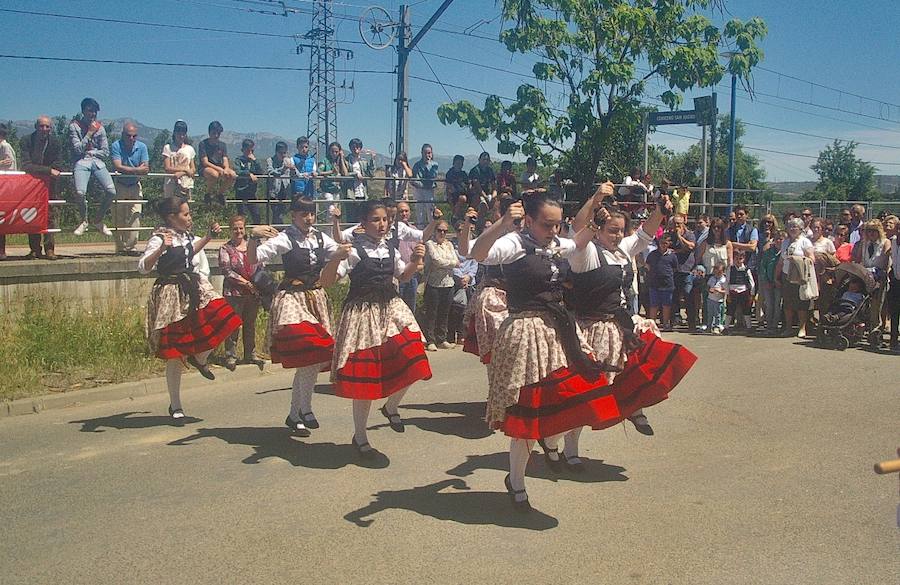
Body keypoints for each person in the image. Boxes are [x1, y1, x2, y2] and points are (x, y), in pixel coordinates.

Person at [470, 195, 619, 510]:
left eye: (556, 224)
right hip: (525, 334)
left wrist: (593, 219)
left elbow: (576, 242)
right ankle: (517, 481)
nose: (553, 230)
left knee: (573, 393)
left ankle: (553, 447)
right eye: (546, 224)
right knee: (527, 411)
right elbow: (478, 253)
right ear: (528, 221)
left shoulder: (554, 244)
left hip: (557, 331)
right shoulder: (513, 243)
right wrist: (500, 223)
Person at [567, 183, 693, 437]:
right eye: (612, 231)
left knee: (647, 355)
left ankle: (635, 407)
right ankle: (566, 448)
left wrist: (660, 209)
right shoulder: (587, 252)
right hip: (590, 326)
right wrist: (596, 197)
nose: (617, 236)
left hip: (620, 321)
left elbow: (645, 234)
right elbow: (578, 229)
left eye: (621, 231)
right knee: (588, 390)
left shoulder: (622, 250)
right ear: (598, 229)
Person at [330, 200, 431, 457]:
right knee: (365, 376)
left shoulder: (390, 248)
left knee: (415, 355)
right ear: (363, 224)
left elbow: (403, 276)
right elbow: (328, 280)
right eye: (376, 220)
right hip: (362, 314)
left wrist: (416, 260)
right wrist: (335, 259)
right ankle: (360, 436)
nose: (382, 224)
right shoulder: (353, 251)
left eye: (385, 219)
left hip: (390, 308)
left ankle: (391, 406)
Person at [138, 196, 242, 419]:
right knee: (174, 351)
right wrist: (160, 249)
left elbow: (188, 253)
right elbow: (144, 267)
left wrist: (208, 237)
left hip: (192, 287)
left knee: (225, 316)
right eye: (185, 214)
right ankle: (175, 405)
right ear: (171, 217)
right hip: (170, 293)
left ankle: (200, 358)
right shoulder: (159, 238)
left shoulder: (185, 236)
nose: (189, 218)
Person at [248, 198, 345, 434]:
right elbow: (254, 258)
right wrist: (253, 237)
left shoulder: (321, 238)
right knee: (308, 346)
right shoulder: (286, 237)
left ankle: (296, 414)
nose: (308, 219)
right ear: (293, 216)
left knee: (309, 360)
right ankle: (305, 409)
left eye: (311, 214)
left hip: (315, 298)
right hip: (293, 298)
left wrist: (340, 263)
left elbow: (342, 254)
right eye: (303, 214)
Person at [218, 215, 265, 372]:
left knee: (250, 324)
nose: (238, 231)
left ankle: (250, 353)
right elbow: (226, 270)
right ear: (230, 230)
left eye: (241, 228)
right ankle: (231, 355)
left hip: (253, 293)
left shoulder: (254, 246)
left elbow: (261, 264)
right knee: (233, 325)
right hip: (234, 293)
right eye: (235, 228)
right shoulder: (225, 248)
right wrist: (245, 283)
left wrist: (257, 284)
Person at [68, 97, 117, 237]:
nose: (93, 114)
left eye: (95, 111)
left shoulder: (100, 128)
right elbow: (77, 149)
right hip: (81, 162)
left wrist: (91, 152)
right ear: (83, 111)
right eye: (90, 111)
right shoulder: (74, 126)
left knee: (111, 191)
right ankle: (84, 221)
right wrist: (89, 133)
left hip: (97, 162)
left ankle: (98, 220)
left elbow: (105, 151)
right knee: (80, 193)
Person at [18, 116, 64, 260]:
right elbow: (26, 165)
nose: (44, 129)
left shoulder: (56, 142)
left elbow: (58, 165)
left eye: (47, 127)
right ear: (36, 127)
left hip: (50, 185)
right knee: (31, 215)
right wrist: (48, 171)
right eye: (41, 126)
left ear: (51, 128)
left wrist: (46, 171)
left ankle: (49, 249)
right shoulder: (26, 140)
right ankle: (34, 249)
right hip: (31, 185)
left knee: (51, 216)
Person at [110, 122, 149, 256]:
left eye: (134, 136)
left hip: (135, 185)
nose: (131, 139)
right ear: (123, 135)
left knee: (135, 215)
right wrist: (137, 170)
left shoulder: (142, 147)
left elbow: (146, 168)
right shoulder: (116, 145)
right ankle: (120, 247)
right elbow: (117, 166)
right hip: (120, 184)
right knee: (118, 216)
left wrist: (131, 171)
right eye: (128, 136)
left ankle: (131, 247)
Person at [421, 220, 459, 350]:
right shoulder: (430, 244)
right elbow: (437, 261)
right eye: (439, 230)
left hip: (449, 283)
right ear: (435, 231)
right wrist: (451, 263)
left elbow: (456, 259)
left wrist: (450, 262)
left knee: (444, 312)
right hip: (434, 283)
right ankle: (430, 340)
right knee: (432, 313)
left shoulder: (449, 245)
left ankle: (441, 338)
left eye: (445, 231)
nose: (442, 233)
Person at [774, 218, 816, 337]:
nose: (792, 229)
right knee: (787, 303)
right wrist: (776, 276)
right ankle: (788, 327)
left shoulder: (805, 242)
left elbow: (812, 259)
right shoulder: (785, 242)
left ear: (801, 229)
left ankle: (802, 328)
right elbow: (781, 261)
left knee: (801, 303)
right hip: (786, 275)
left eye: (795, 227)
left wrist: (797, 259)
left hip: (800, 276)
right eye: (790, 226)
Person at [851, 219, 890, 335]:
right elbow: (858, 260)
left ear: (879, 231)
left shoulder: (885, 242)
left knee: (876, 305)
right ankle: (859, 326)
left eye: (874, 231)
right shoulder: (864, 243)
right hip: (865, 276)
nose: (871, 233)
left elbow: (887, 263)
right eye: (868, 231)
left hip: (879, 278)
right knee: (861, 302)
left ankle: (876, 329)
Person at [646, 233, 679, 331]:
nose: (663, 244)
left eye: (665, 243)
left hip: (667, 284)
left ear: (669, 243)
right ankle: (652, 325)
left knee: (666, 305)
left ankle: (665, 324)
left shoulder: (672, 255)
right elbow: (647, 266)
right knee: (654, 305)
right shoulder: (652, 254)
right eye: (661, 242)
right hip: (654, 283)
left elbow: (674, 268)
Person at [198, 121, 236, 204]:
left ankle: (220, 193)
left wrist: (226, 168)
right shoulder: (203, 144)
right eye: (214, 133)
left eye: (218, 133)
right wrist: (218, 169)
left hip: (219, 167)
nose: (216, 136)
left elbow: (225, 158)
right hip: (205, 168)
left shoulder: (222, 145)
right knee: (214, 174)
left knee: (232, 175)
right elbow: (205, 162)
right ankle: (208, 193)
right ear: (209, 133)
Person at [668, 214, 696, 328]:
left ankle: (691, 321)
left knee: (688, 295)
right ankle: (675, 319)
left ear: (683, 223)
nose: (676, 226)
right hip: (674, 270)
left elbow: (690, 247)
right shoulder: (670, 235)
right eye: (675, 224)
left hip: (686, 270)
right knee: (674, 296)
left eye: (679, 223)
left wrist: (680, 237)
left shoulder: (689, 234)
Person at [757, 230, 785, 334]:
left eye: (781, 239)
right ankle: (768, 324)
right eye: (777, 239)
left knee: (778, 304)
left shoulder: (785, 253)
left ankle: (775, 325)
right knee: (769, 304)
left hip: (779, 283)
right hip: (768, 282)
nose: (778, 241)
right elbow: (763, 267)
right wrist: (765, 281)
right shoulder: (768, 252)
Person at [162, 120, 196, 200]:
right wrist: (185, 169)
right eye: (179, 134)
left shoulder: (190, 149)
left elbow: (193, 169)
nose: (181, 136)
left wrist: (182, 173)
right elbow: (167, 168)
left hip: (185, 184)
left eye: (183, 134)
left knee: (184, 208)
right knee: (170, 208)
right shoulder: (168, 148)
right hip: (171, 183)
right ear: (174, 133)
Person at [233, 138, 263, 224]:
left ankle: (255, 234)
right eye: (247, 150)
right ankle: (242, 234)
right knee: (242, 215)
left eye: (251, 150)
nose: (249, 152)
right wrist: (249, 174)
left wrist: (255, 160)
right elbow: (237, 171)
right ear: (243, 150)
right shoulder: (238, 160)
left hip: (252, 192)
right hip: (241, 191)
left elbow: (260, 172)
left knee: (256, 215)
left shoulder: (254, 161)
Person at [724, 249, 755, 332]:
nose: (738, 261)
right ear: (733, 259)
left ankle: (749, 327)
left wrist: (752, 294)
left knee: (746, 310)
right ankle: (726, 328)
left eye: (740, 258)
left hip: (744, 292)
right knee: (730, 310)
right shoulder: (730, 269)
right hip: (733, 292)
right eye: (736, 258)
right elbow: (726, 282)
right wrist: (728, 294)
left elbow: (752, 283)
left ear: (744, 259)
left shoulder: (746, 269)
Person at [347, 138, 376, 221]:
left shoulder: (363, 161)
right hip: (351, 193)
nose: (356, 149)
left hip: (363, 192)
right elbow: (344, 173)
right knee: (351, 218)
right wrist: (354, 174)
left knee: (362, 217)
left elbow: (371, 174)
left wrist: (372, 160)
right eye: (353, 147)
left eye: (358, 147)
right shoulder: (346, 160)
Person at [265, 141, 292, 225]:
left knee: (281, 213)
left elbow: (295, 174)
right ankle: (278, 231)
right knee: (276, 213)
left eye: (285, 153)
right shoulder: (270, 160)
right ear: (276, 152)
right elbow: (270, 171)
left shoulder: (287, 160)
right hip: (274, 191)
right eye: (281, 153)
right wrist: (282, 169)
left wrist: (294, 170)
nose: (283, 155)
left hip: (285, 191)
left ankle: (277, 230)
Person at [411, 144, 438, 227]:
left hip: (429, 190)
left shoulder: (434, 164)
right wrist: (422, 184)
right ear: (422, 153)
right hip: (419, 190)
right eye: (426, 153)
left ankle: (432, 230)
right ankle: (420, 229)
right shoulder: (417, 165)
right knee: (420, 210)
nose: (428, 155)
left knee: (430, 210)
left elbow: (432, 177)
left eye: (429, 153)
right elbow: (416, 179)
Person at [317, 141, 350, 205]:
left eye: (336, 152)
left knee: (335, 212)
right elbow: (319, 172)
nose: (334, 153)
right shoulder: (325, 161)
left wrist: (342, 158)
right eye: (332, 151)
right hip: (327, 190)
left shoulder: (340, 162)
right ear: (329, 151)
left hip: (337, 191)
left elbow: (346, 174)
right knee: (331, 210)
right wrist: (331, 172)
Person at [291, 136, 317, 200]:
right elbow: (292, 173)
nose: (304, 149)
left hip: (309, 189)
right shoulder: (293, 159)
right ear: (297, 147)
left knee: (309, 208)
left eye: (306, 147)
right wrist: (302, 175)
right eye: (301, 147)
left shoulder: (312, 160)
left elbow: (314, 171)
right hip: (297, 189)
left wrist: (314, 174)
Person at [705, 263, 728, 334]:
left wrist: (720, 291)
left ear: (723, 272)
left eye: (719, 272)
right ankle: (709, 327)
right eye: (716, 271)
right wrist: (709, 289)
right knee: (710, 314)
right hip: (710, 299)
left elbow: (726, 291)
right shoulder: (712, 278)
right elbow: (707, 286)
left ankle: (717, 327)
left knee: (717, 315)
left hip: (718, 300)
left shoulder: (724, 280)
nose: (717, 273)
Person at [445, 155, 469, 220]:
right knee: (462, 199)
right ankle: (455, 216)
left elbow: (467, 185)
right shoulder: (450, 173)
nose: (459, 165)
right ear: (454, 163)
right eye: (458, 163)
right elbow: (449, 187)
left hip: (462, 193)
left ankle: (456, 216)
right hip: (453, 195)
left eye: (461, 163)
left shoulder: (464, 174)